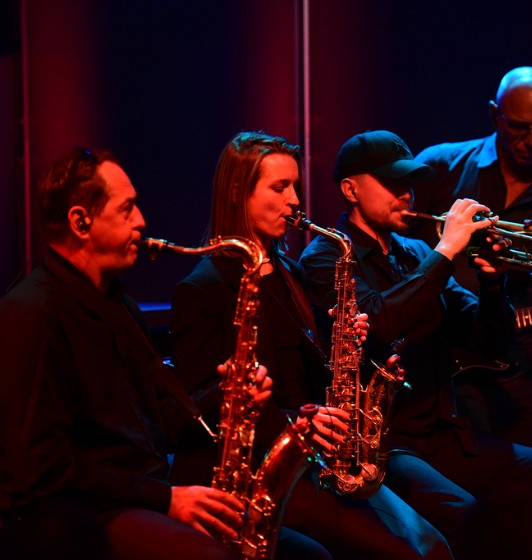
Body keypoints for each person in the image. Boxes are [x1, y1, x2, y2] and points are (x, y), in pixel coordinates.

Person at [0, 147, 327, 560]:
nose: (141, 220)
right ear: (80, 221)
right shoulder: (32, 314)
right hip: (73, 517)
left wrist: (226, 395)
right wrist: (167, 500)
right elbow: (42, 469)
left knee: (307, 555)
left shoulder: (117, 304)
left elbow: (161, 420)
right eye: (126, 209)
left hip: (138, 497)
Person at [298, 130, 532, 556]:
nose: (406, 194)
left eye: (410, 183)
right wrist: (446, 250)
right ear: (350, 190)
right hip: (382, 445)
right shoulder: (326, 257)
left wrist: (492, 285)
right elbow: (380, 321)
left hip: (443, 436)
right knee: (465, 515)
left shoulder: (415, 252)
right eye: (392, 184)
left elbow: (486, 342)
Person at [169, 131, 452, 560]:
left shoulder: (290, 273)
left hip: (310, 463)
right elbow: (191, 411)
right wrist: (296, 423)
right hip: (253, 476)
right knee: (410, 551)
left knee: (430, 545)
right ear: (237, 192)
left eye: (296, 186)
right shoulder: (203, 289)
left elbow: (311, 375)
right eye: (279, 187)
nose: (295, 201)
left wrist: (348, 344)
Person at [412, 66, 532, 446]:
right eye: (519, 127)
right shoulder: (441, 166)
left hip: (514, 372)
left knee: (515, 475)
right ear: (496, 114)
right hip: (435, 358)